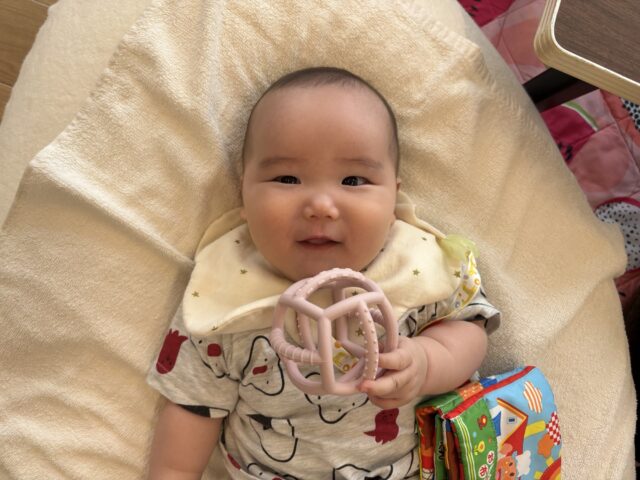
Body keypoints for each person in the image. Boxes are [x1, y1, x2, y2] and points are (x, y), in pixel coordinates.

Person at [146, 66, 500, 479]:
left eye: (353, 179)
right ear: (244, 194)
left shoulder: (417, 268)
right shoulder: (225, 301)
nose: (320, 206)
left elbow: (472, 327)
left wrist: (427, 360)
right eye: (287, 178)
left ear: (393, 198)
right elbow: (191, 409)